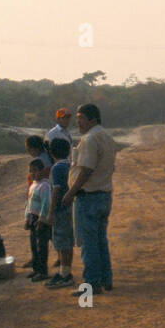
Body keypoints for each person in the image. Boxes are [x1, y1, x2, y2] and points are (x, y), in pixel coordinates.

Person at [60, 103, 117, 296]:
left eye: (81, 118)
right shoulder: (106, 137)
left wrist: (71, 192)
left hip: (88, 196)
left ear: (92, 119)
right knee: (100, 240)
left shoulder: (90, 139)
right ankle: (105, 278)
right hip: (104, 194)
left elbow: (86, 169)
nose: (78, 122)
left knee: (87, 243)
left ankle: (92, 284)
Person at [42, 137, 75, 288]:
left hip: (61, 209)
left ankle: (66, 274)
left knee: (62, 242)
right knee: (66, 241)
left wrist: (51, 212)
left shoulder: (56, 168)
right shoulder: (69, 165)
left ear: (51, 152)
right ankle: (64, 272)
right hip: (69, 207)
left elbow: (57, 190)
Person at [25, 158, 52, 281]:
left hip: (41, 219)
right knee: (33, 246)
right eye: (31, 171)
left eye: (36, 171)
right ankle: (36, 269)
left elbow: (46, 203)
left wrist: (42, 218)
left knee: (41, 246)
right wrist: (27, 218)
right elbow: (29, 204)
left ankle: (43, 271)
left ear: (42, 171)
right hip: (32, 217)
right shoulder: (33, 185)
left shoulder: (45, 186)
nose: (33, 173)